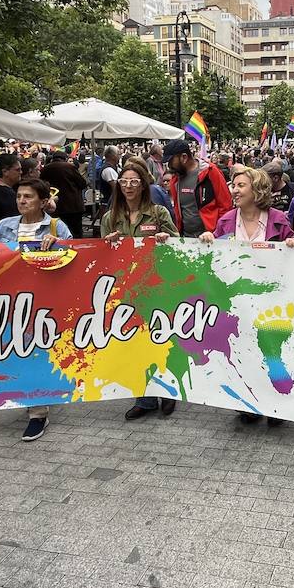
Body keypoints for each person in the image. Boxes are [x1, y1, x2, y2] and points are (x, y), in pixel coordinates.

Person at [0, 178, 72, 441]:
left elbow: (75, 258)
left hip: (42, 299)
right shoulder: (5, 225)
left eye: (28, 196)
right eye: (19, 196)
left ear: (41, 200)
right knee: (14, 348)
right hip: (8, 298)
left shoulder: (55, 226)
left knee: (34, 349)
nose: (22, 201)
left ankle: (38, 412)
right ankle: (26, 397)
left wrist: (59, 245)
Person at [203, 167, 294, 426]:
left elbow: (293, 255)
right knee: (243, 348)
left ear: (257, 190)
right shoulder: (225, 220)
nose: (234, 190)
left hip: (271, 297)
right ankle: (249, 402)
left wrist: (291, 244)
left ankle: (277, 404)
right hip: (239, 299)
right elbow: (218, 257)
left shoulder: (278, 219)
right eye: (233, 185)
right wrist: (208, 239)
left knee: (273, 350)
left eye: (240, 185)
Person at [99, 159, 177, 421]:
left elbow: (180, 247)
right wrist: (107, 244)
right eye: (124, 182)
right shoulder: (110, 218)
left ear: (144, 185)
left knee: (161, 338)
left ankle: (167, 392)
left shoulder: (158, 213)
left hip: (157, 285)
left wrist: (167, 240)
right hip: (125, 288)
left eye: (134, 181)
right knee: (133, 341)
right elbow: (100, 257)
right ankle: (144, 397)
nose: (128, 186)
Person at [163, 139, 232, 239]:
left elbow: (226, 206)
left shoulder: (210, 172)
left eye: (171, 161)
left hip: (211, 239)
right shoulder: (175, 179)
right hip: (186, 239)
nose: (169, 166)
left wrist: (218, 233)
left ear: (184, 157)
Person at [39, 149, 88, 239]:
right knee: (76, 233)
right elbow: (82, 183)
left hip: (55, 206)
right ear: (65, 158)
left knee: (57, 232)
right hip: (73, 206)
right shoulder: (70, 167)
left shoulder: (45, 169)